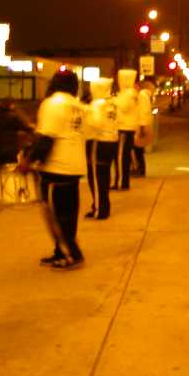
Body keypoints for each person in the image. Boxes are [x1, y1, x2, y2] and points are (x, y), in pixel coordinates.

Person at [21, 70, 86, 270]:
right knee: (68, 214)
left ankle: (71, 255)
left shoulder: (52, 104)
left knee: (57, 216)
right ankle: (61, 251)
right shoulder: (78, 106)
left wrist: (28, 160)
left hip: (56, 167)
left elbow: (45, 139)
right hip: (74, 166)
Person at [85, 77, 117, 219]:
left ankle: (99, 209)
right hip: (111, 141)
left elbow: (95, 123)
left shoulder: (97, 104)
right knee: (104, 175)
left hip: (98, 141)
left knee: (96, 177)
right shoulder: (112, 103)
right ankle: (103, 206)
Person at [112, 69, 139, 190]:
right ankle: (122, 181)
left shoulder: (128, 94)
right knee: (123, 157)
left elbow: (123, 107)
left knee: (121, 157)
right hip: (126, 128)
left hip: (124, 129)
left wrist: (113, 100)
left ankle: (121, 182)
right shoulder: (129, 93)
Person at [132, 76, 154, 177]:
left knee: (138, 149)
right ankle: (139, 169)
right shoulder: (143, 96)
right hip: (140, 125)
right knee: (138, 150)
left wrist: (142, 127)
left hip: (140, 126)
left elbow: (143, 112)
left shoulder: (141, 96)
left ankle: (140, 170)